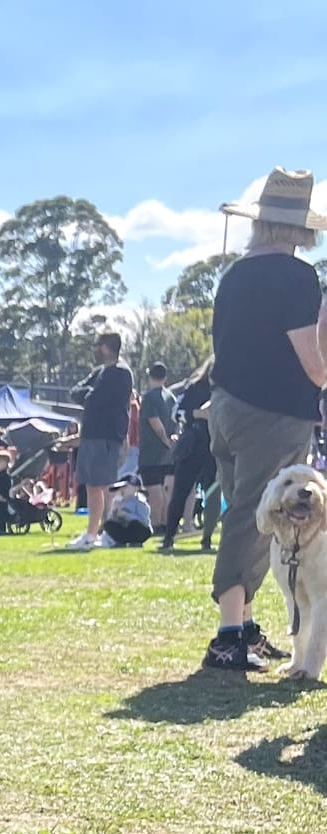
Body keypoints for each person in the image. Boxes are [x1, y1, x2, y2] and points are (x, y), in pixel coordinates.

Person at [202, 169, 327, 671]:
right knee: (255, 519)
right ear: (300, 227)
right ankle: (229, 635)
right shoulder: (296, 277)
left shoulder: (234, 274)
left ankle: (245, 627)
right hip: (273, 416)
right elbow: (314, 364)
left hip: (225, 407)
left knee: (242, 509)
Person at [69, 330, 135, 550]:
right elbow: (76, 392)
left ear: (106, 347)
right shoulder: (100, 372)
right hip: (90, 435)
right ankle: (92, 533)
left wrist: (90, 394)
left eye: (97, 345)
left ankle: (108, 533)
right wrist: (89, 393)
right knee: (91, 485)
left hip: (106, 436)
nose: (94, 350)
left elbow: (96, 398)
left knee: (103, 485)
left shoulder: (120, 373)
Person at [157, 363, 217, 554]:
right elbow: (176, 413)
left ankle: (207, 538)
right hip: (193, 445)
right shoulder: (194, 388)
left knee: (213, 493)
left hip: (216, 446)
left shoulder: (227, 389)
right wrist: (197, 414)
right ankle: (169, 536)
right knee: (180, 492)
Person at [137, 368, 177, 529]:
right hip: (169, 454)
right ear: (165, 377)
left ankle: (155, 523)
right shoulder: (171, 397)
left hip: (151, 452)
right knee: (165, 490)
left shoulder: (149, 398)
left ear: (150, 377)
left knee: (154, 490)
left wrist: (165, 441)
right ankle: (165, 522)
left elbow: (155, 422)